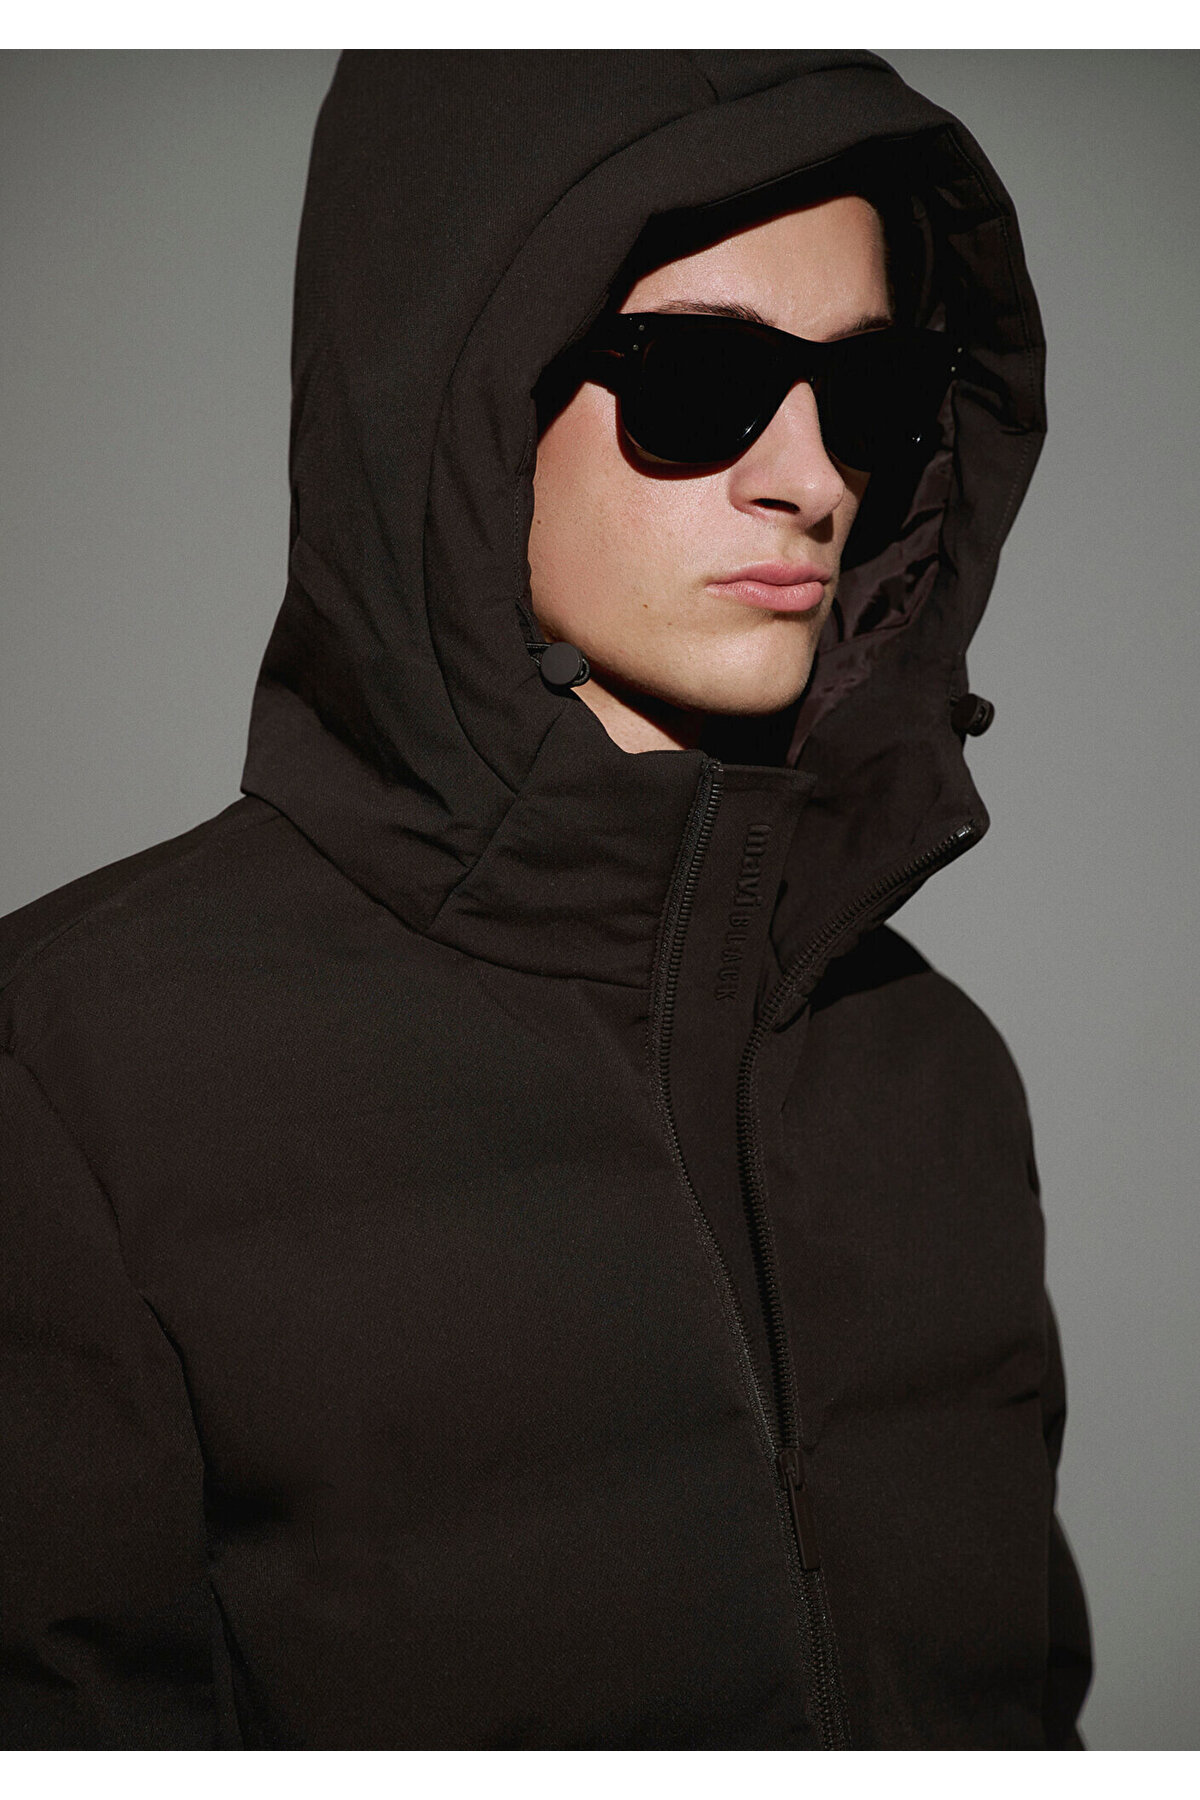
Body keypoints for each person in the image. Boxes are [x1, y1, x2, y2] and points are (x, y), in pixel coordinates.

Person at [0, 49, 1092, 1749]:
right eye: (702, 380)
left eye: (872, 395)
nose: (809, 478)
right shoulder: (78, 1073)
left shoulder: (933, 1070)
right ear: (455, 397)